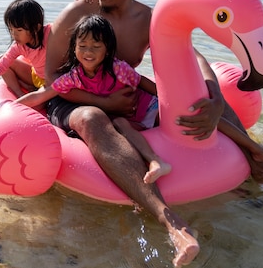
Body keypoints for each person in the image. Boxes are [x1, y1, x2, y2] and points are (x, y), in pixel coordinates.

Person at [45, 0, 263, 267]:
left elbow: (193, 57)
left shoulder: (147, 19)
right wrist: (105, 103)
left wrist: (214, 96)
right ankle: (171, 222)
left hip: (123, 92)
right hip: (74, 95)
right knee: (92, 118)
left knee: (200, 101)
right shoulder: (80, 12)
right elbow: (52, 76)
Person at [16, 14, 171, 184]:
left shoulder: (117, 68)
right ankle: (155, 161)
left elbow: (141, 82)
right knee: (119, 124)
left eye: (96, 46)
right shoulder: (75, 76)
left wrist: (166, 99)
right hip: (130, 119)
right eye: (82, 45)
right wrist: (12, 107)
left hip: (148, 108)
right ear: (74, 48)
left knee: (170, 121)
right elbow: (42, 95)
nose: (88, 52)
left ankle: (161, 159)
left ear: (107, 49)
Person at [0, 0, 50, 99]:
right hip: (37, 77)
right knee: (2, 58)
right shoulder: (19, 46)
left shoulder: (50, 33)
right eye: (11, 29)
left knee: (40, 101)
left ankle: (26, 86)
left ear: (36, 28)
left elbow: (66, 25)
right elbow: (3, 63)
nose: (14, 34)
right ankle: (20, 94)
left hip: (53, 80)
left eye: (19, 30)